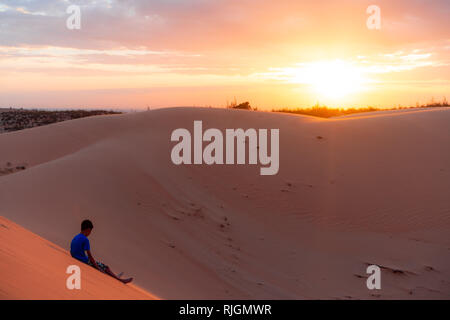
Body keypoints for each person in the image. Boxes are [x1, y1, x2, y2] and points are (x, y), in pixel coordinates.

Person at [70, 219, 133, 284]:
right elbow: (90, 255)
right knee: (105, 267)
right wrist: (97, 267)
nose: (90, 233)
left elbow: (72, 250)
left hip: (77, 257)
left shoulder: (76, 237)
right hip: (84, 260)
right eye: (90, 231)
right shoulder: (85, 239)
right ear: (88, 230)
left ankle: (115, 276)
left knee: (101, 265)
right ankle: (120, 280)